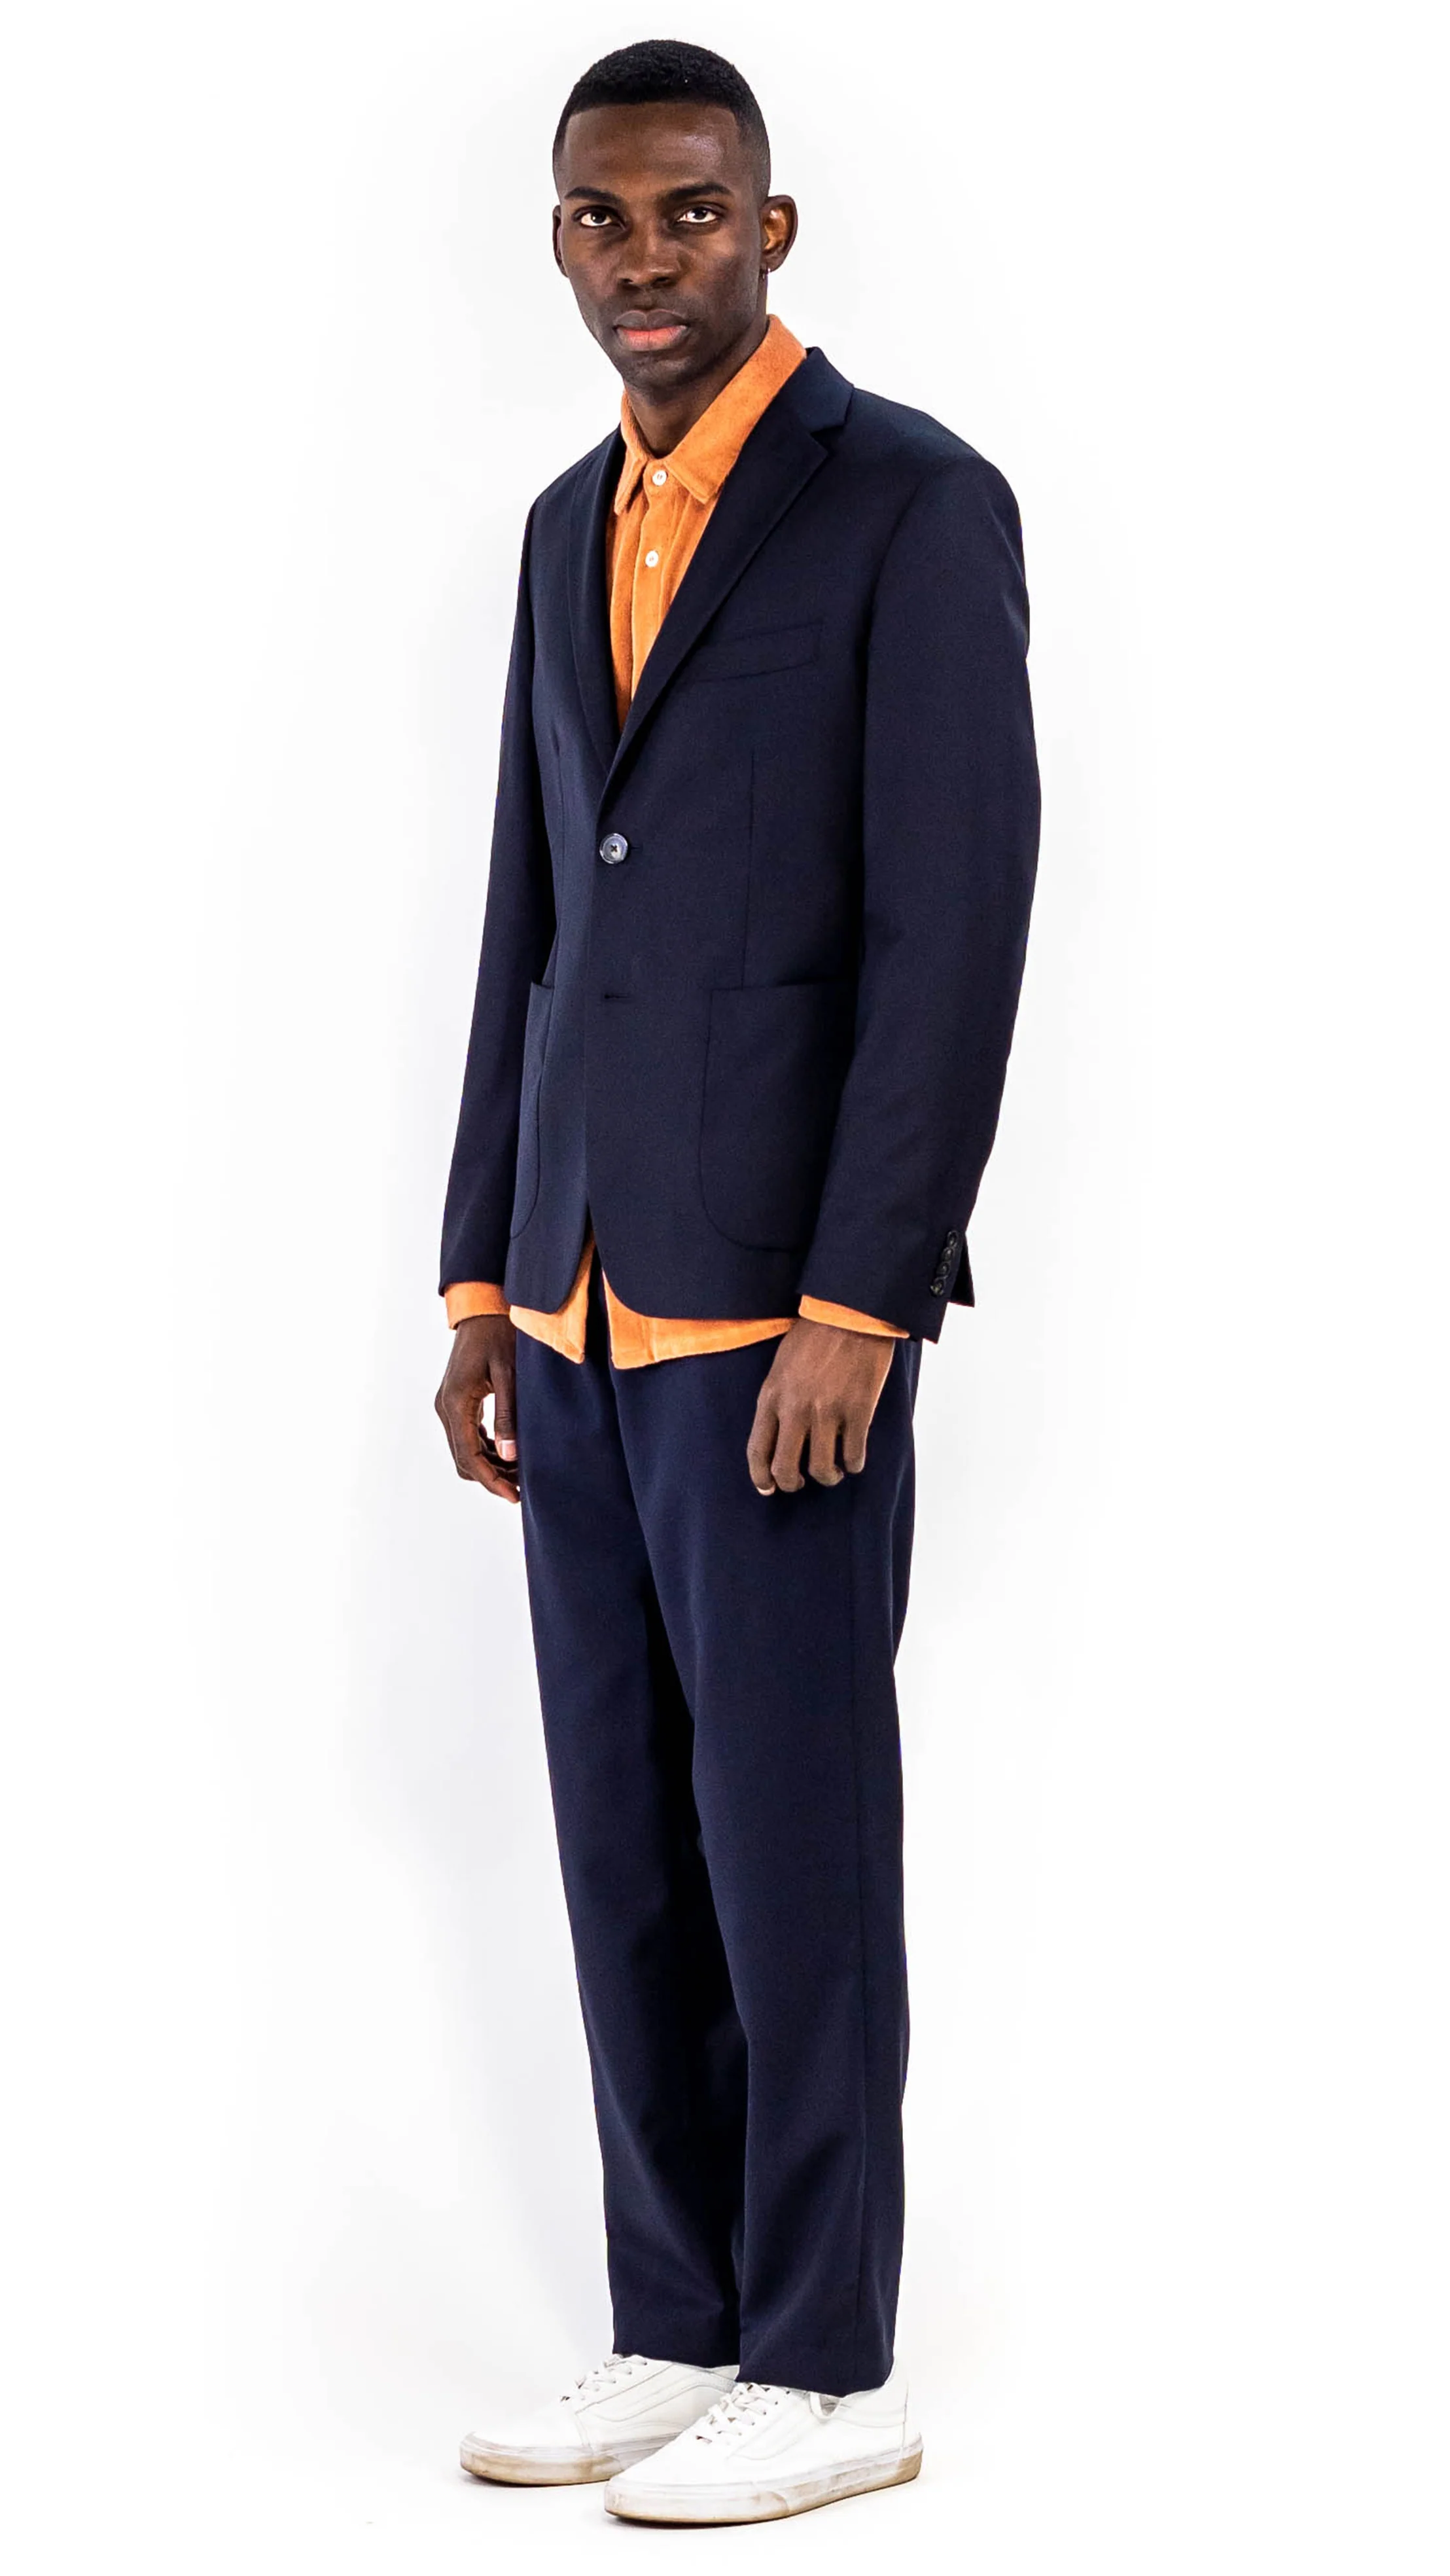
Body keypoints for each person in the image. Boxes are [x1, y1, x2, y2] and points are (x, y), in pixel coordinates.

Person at [434, 37, 1039, 2527]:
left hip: (781, 1319)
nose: (646, 259)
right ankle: (677, 2316)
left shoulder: (911, 503)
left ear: (769, 228)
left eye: (691, 213)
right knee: (618, 1835)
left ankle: (830, 2359)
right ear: (559, 240)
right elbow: (532, 920)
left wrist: (862, 1299)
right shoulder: (561, 524)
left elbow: (951, 930)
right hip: (577, 1297)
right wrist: (480, 1277)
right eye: (603, 218)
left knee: (793, 1842)